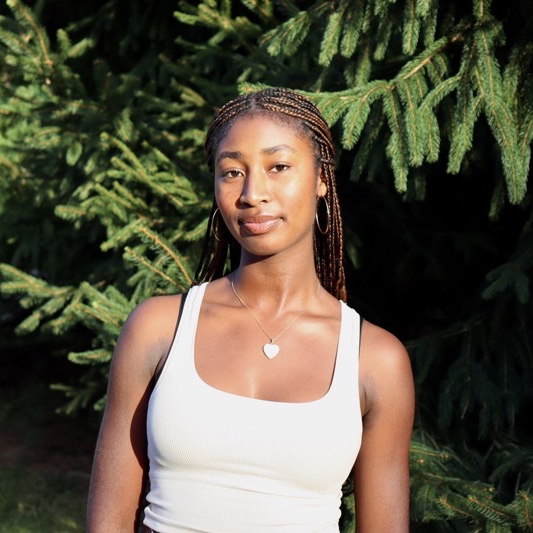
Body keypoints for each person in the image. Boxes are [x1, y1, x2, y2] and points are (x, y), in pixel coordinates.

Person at [86, 87, 415, 532]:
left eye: (278, 167)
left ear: (321, 179)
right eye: (231, 172)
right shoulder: (159, 328)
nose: (252, 193)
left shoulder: (375, 360)